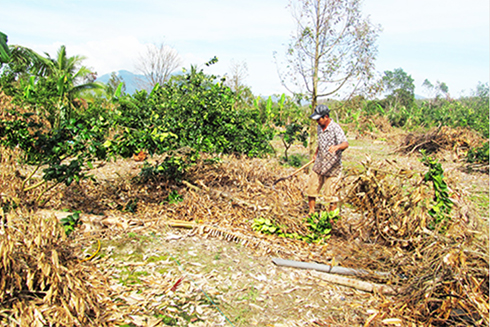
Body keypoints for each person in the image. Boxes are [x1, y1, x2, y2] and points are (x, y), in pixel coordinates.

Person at [306, 104, 349, 215]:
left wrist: (337, 147)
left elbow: (345, 143)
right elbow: (320, 143)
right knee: (311, 188)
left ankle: (331, 219)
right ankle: (311, 213)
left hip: (332, 167)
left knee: (331, 196)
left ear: (326, 117)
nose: (317, 122)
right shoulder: (319, 128)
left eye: (319, 119)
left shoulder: (335, 128)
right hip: (319, 164)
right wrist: (316, 154)